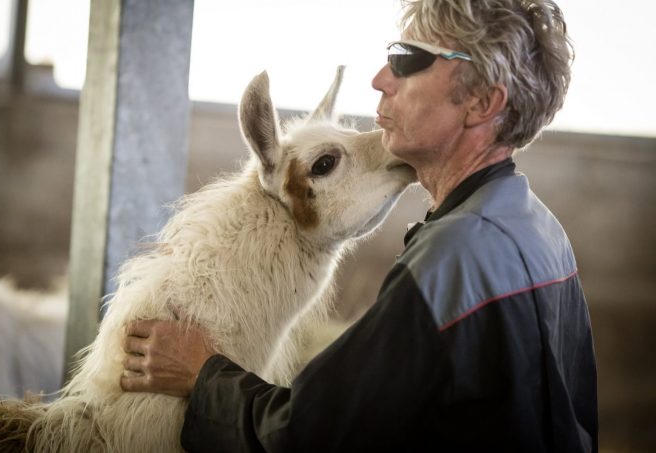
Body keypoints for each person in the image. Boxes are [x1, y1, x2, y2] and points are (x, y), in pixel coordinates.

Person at [121, 0, 598, 451]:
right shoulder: (539, 230)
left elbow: (315, 435)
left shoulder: (454, 259)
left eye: (409, 60)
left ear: (481, 103)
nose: (380, 79)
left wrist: (203, 375)